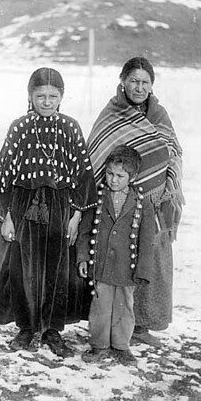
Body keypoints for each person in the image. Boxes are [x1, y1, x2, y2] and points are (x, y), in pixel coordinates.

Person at [0, 67, 97, 358]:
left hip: (60, 206)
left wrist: (75, 215)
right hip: (24, 205)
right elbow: (5, 173)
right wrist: (6, 215)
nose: (46, 102)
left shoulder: (71, 127)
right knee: (23, 268)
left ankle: (52, 330)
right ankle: (25, 327)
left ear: (61, 97)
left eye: (53, 96)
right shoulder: (19, 127)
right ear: (30, 96)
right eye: (40, 96)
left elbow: (82, 174)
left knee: (58, 270)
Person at [87, 57, 184, 347]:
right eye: (134, 81)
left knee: (152, 259)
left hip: (156, 200)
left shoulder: (159, 114)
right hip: (119, 202)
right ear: (123, 81)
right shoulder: (112, 113)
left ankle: (143, 325)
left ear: (151, 86)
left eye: (145, 82)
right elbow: (98, 152)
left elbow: (174, 150)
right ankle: (114, 327)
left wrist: (170, 183)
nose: (139, 87)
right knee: (118, 260)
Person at [77, 145, 155, 366]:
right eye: (110, 174)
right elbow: (84, 229)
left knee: (124, 306)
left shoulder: (142, 202)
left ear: (133, 176)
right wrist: (83, 257)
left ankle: (121, 346)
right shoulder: (97, 197)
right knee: (100, 306)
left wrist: (143, 270)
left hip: (126, 268)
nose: (113, 180)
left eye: (120, 176)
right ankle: (99, 345)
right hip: (100, 265)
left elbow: (147, 240)